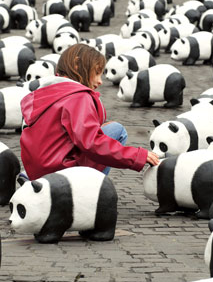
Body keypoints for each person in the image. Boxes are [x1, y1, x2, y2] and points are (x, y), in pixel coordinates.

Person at [19, 43, 160, 180]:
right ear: (77, 65)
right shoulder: (78, 97)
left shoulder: (48, 90)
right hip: (61, 170)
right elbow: (91, 143)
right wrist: (136, 155)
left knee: (108, 129)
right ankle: (90, 189)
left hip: (39, 168)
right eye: (97, 73)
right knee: (118, 130)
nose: (100, 81)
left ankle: (34, 179)